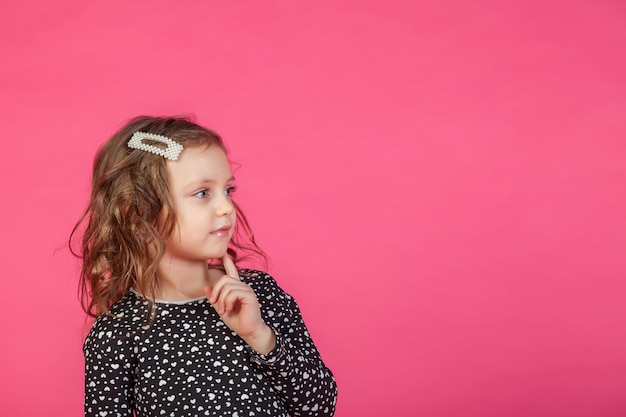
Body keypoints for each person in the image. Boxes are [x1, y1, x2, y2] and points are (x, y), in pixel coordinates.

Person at [71, 116, 338, 417]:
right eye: (202, 193)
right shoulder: (117, 333)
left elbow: (319, 407)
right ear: (138, 215)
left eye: (228, 190)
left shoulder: (259, 293)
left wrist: (260, 337)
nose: (226, 207)